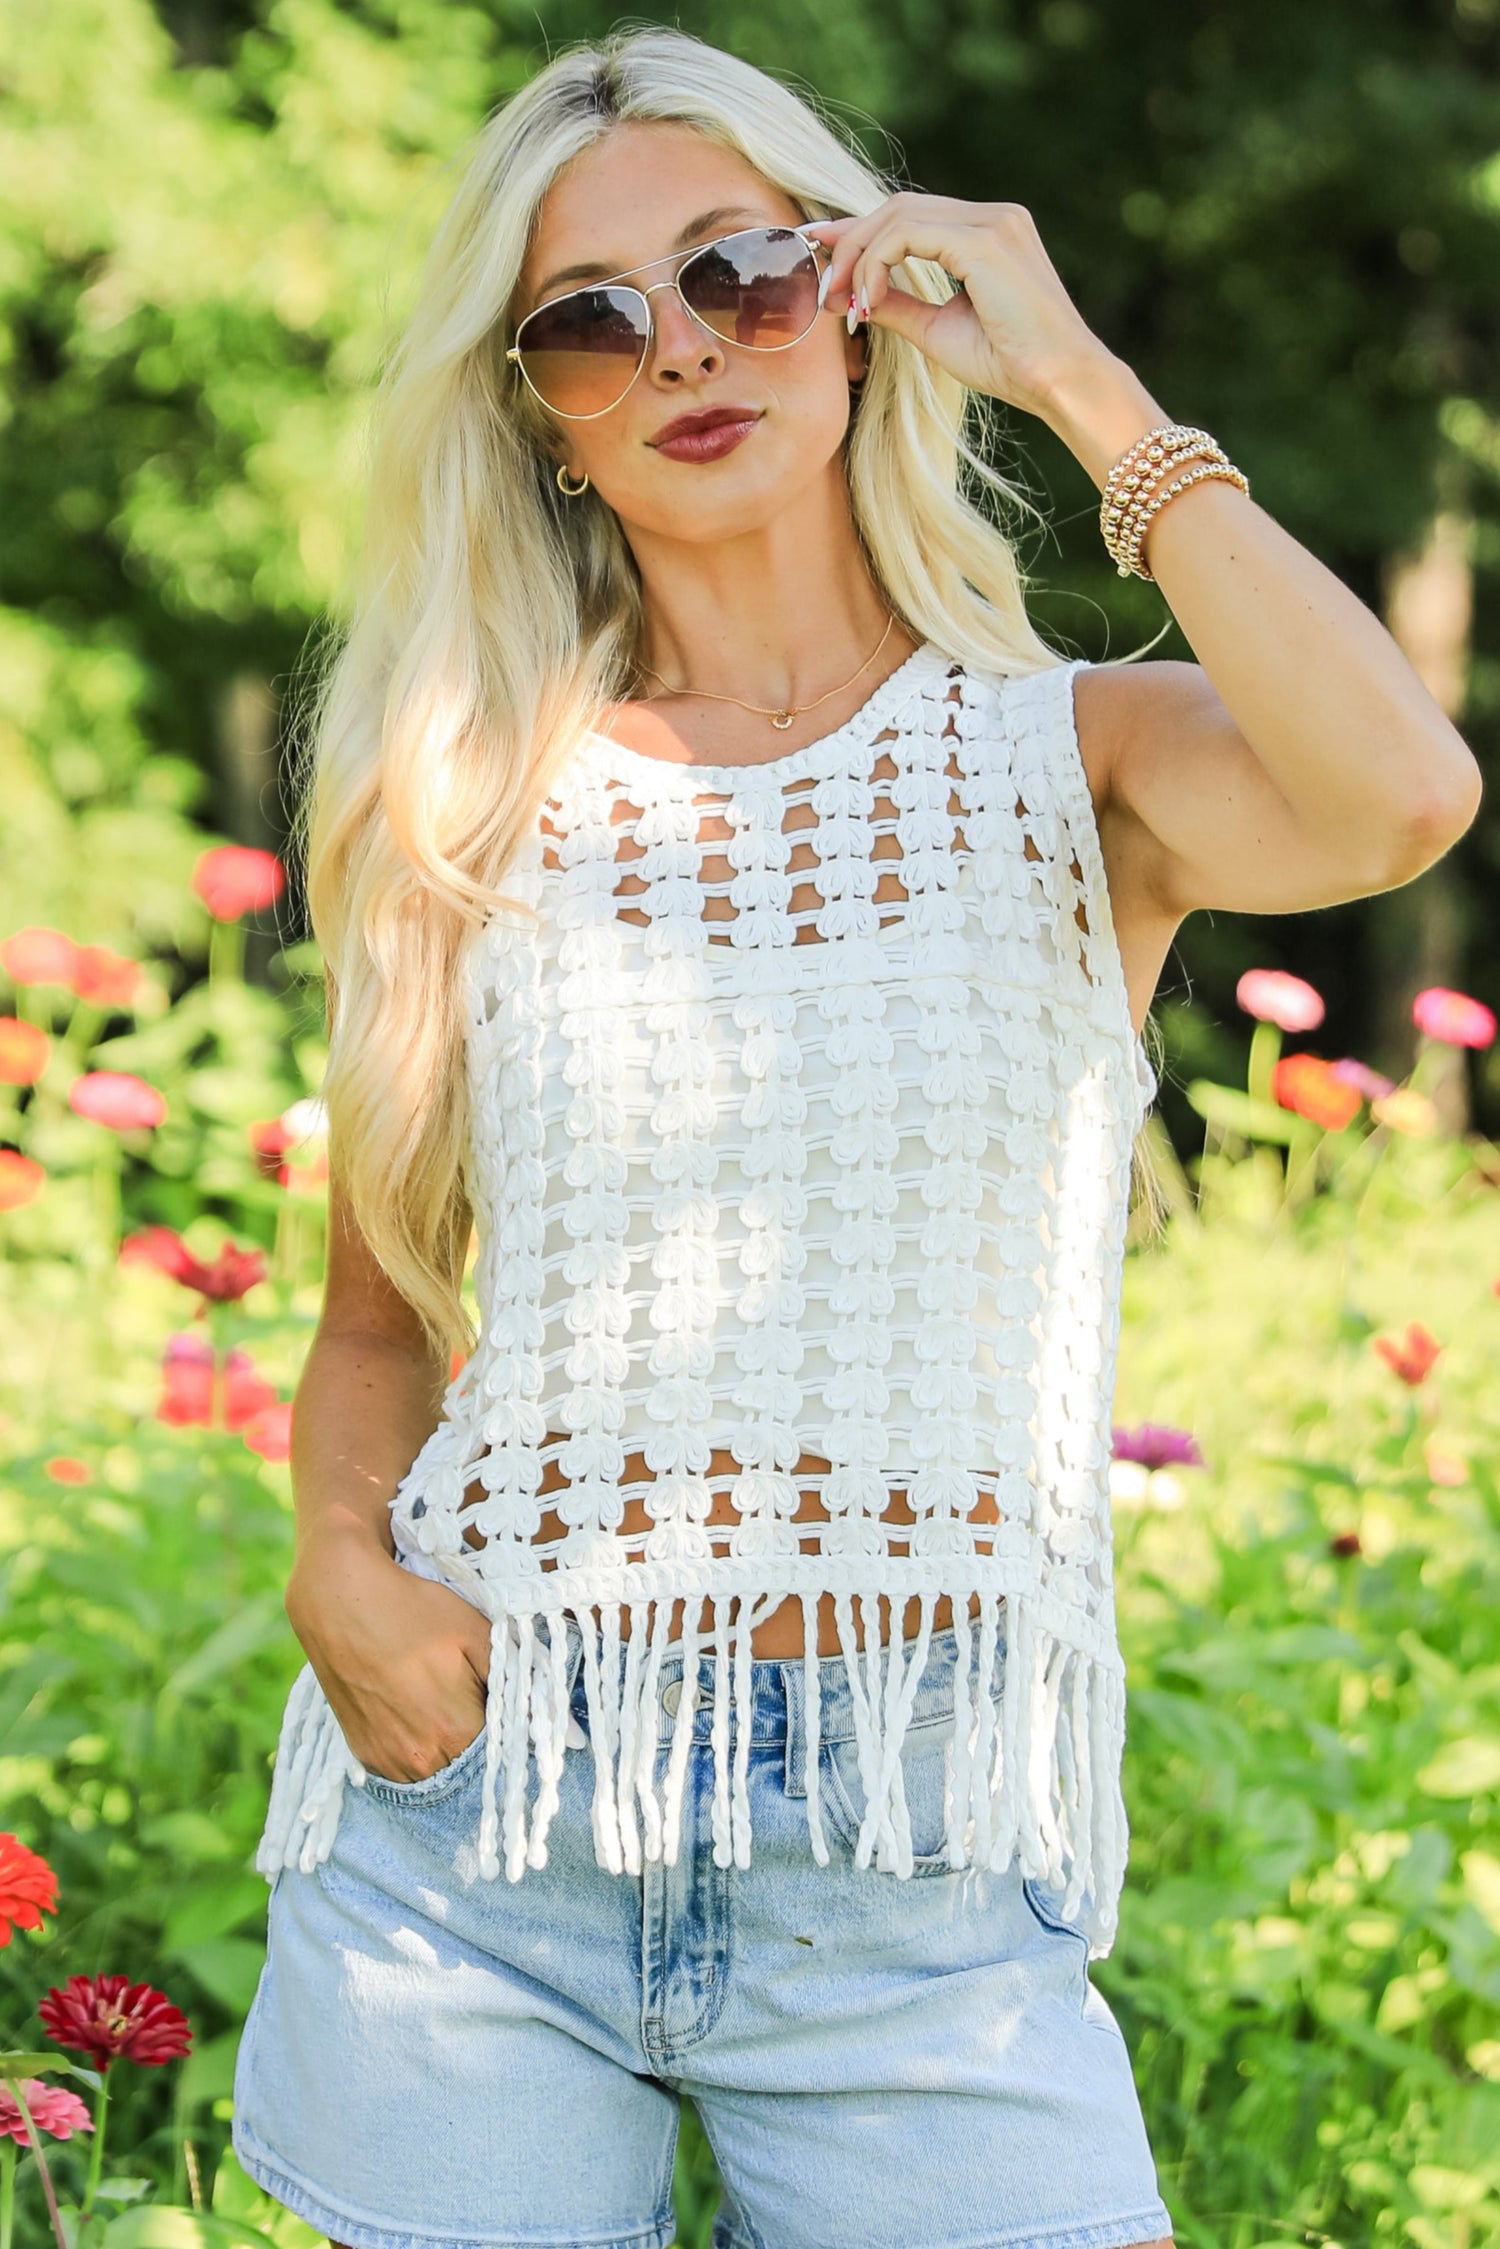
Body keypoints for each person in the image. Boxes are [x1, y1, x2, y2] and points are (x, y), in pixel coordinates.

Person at [231, 28, 1481, 2249]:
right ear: (540, 416)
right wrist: (341, 1568)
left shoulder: (1073, 759)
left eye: (745, 269)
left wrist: (1089, 387)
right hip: (486, 1825)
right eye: (592, 321)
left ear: (862, 290)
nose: (685, 345)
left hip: (912, 1870)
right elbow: (376, 1317)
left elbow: (1401, 794)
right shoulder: (460, 802)